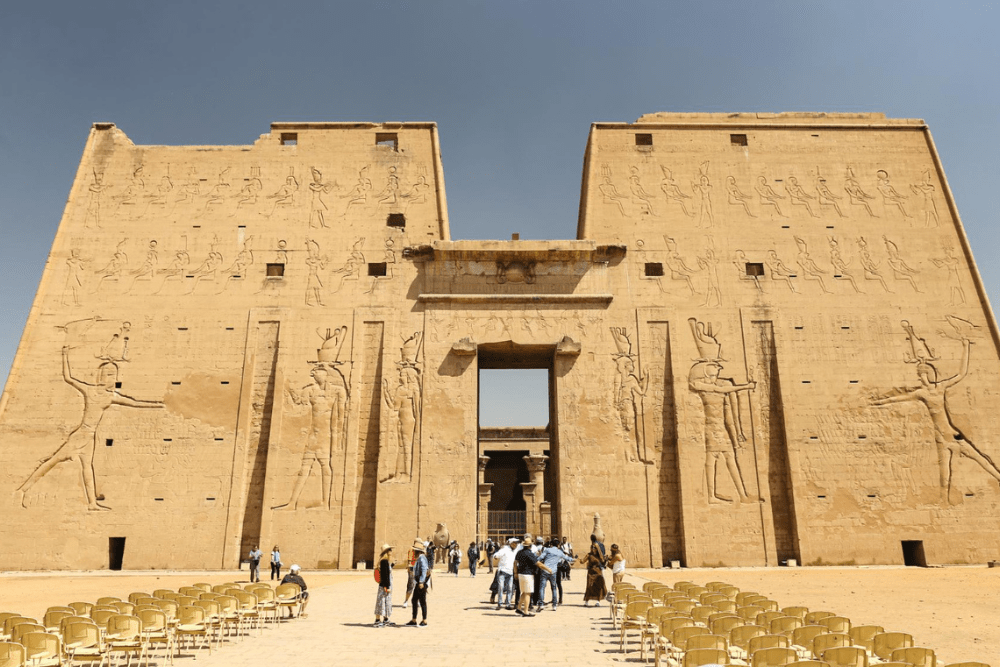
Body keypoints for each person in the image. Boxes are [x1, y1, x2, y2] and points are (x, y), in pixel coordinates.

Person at [513, 537, 551, 616]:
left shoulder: (519, 552)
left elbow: (515, 562)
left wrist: (515, 572)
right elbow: (538, 564)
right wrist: (548, 569)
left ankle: (519, 608)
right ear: (530, 545)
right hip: (528, 575)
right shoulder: (529, 553)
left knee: (524, 592)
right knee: (528, 593)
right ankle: (526, 611)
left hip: (520, 574)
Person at [537, 538, 574, 611]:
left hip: (545, 570)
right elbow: (567, 558)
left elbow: (540, 558)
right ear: (558, 545)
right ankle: (554, 605)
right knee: (554, 588)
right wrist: (574, 559)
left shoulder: (547, 550)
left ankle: (541, 604)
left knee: (542, 588)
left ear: (551, 544)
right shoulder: (559, 552)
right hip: (553, 571)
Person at [579, 536, 608, 607]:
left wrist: (600, 551)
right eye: (592, 547)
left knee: (598, 587)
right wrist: (578, 559)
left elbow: (603, 561)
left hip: (598, 572)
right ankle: (586, 601)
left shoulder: (599, 556)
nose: (592, 549)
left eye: (594, 548)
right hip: (591, 572)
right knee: (589, 586)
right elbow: (582, 561)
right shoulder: (589, 555)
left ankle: (598, 601)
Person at [406, 540, 429, 626]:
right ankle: (414, 620)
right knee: (414, 600)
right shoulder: (419, 558)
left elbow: (424, 570)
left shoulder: (421, 558)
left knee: (422, 601)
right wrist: (411, 569)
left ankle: (424, 620)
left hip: (421, 582)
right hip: (419, 582)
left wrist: (421, 582)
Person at [491, 537, 519, 610]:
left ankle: (508, 604)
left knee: (510, 588)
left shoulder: (516, 550)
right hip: (502, 571)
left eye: (516, 543)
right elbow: (497, 555)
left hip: (511, 572)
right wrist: (496, 556)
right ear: (511, 543)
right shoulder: (505, 549)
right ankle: (500, 604)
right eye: (514, 543)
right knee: (501, 587)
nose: (516, 544)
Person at [374, 544, 394, 627]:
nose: (391, 551)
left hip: (385, 585)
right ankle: (377, 620)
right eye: (390, 550)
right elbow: (385, 575)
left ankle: (385, 619)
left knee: (385, 602)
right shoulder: (384, 561)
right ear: (386, 551)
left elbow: (386, 571)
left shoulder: (385, 561)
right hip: (384, 585)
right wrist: (387, 587)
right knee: (381, 602)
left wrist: (392, 565)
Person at [402, 542, 418, 609]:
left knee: (418, 586)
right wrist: (409, 567)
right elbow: (409, 561)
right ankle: (406, 601)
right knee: (410, 585)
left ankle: (417, 601)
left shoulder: (421, 550)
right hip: (412, 569)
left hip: (418, 569)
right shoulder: (412, 549)